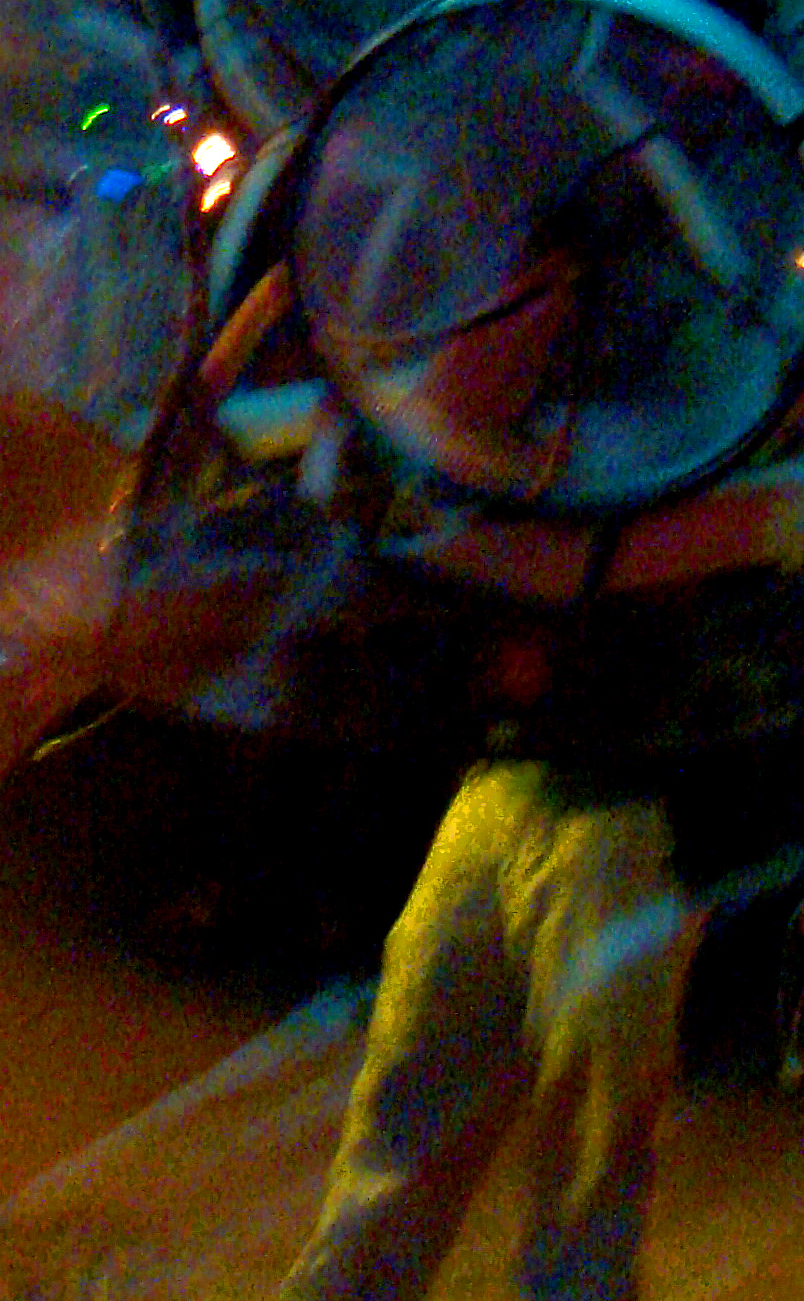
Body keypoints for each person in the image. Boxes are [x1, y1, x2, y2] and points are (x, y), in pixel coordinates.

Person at [281, 227, 693, 1301]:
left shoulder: (677, 364)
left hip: (625, 803)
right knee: (410, 1097)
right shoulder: (507, 389)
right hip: (506, 781)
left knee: (585, 1159)